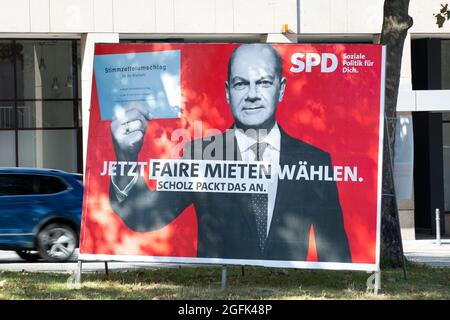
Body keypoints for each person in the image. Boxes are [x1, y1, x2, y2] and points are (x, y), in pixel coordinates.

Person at [109, 44, 351, 262]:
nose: (253, 94)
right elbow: (146, 217)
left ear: (281, 88)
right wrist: (126, 158)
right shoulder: (198, 155)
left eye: (264, 82)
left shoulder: (315, 161)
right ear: (228, 92)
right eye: (241, 83)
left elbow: (335, 252)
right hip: (218, 290)